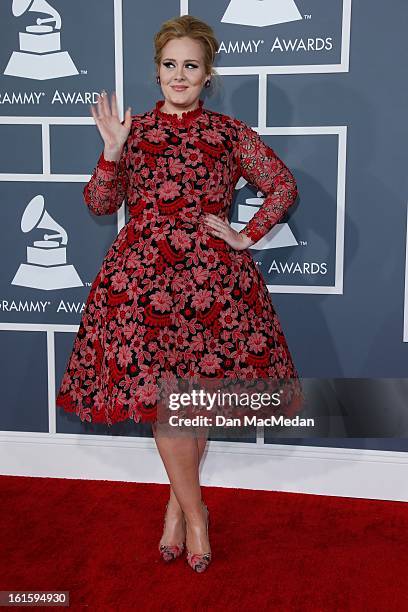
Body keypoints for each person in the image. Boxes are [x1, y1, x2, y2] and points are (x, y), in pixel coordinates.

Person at [56, 15, 302, 573]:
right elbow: (98, 204)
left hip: (213, 280)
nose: (180, 75)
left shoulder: (228, 133)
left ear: (207, 73)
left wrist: (245, 235)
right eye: (171, 65)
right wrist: (113, 151)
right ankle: (198, 517)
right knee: (169, 406)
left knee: (194, 402)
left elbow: (282, 185)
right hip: (143, 282)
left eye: (191, 66)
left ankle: (176, 509)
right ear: (158, 70)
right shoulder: (132, 129)